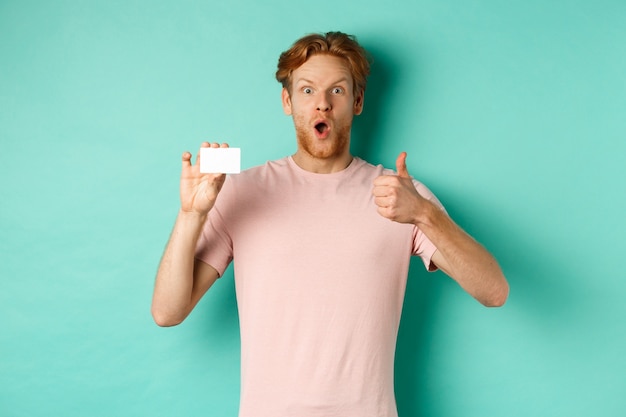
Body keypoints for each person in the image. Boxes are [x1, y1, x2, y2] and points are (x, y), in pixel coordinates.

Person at [151, 31, 509, 417]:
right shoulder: (241, 191)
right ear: (287, 101)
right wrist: (191, 215)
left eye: (336, 91)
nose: (321, 104)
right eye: (307, 91)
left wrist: (424, 214)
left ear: (356, 102)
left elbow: (494, 291)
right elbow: (167, 312)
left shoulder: (402, 196)